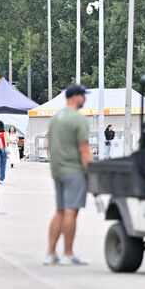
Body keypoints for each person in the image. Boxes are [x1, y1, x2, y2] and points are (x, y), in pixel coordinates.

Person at [45, 84, 92, 266]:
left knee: (60, 211)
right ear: (75, 97)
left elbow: (48, 144)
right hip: (74, 171)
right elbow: (84, 148)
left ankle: (51, 253)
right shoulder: (79, 120)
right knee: (71, 211)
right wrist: (91, 171)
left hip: (57, 170)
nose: (85, 99)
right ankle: (68, 254)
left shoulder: (56, 118)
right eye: (83, 95)